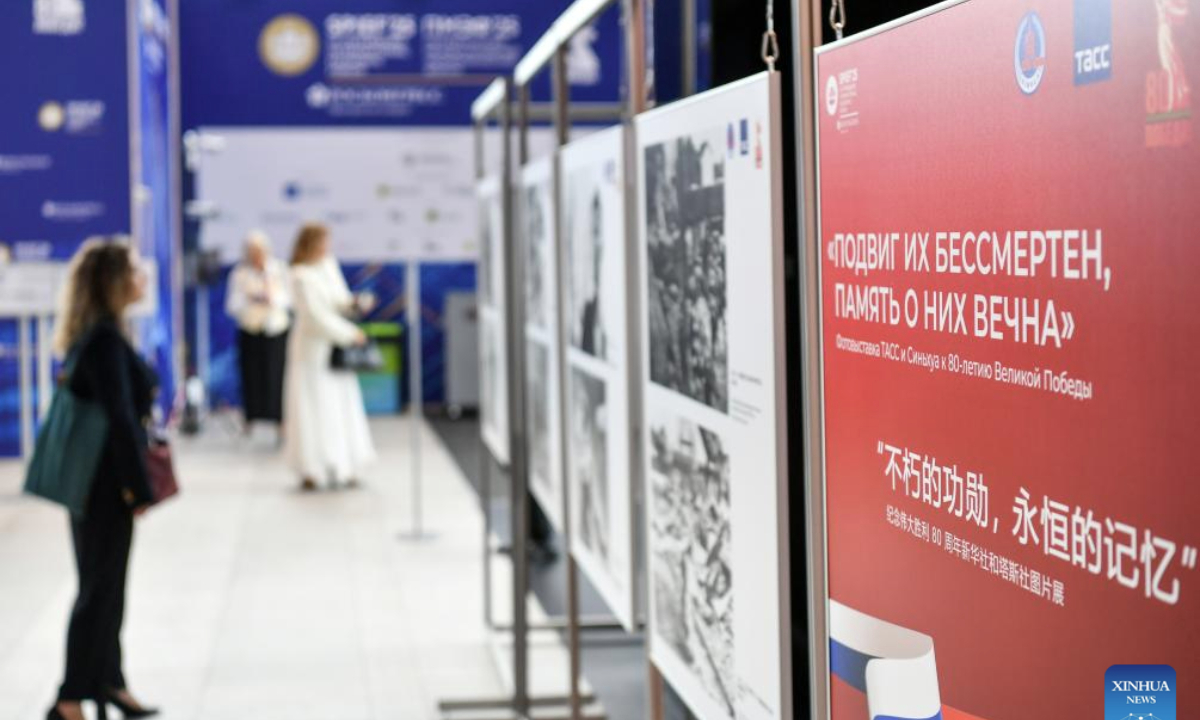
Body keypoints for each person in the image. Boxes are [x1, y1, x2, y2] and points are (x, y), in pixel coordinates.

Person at [47, 239, 159, 720]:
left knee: (108, 586)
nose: (143, 276)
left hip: (97, 482)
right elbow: (119, 420)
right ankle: (71, 697)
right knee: (98, 588)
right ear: (115, 281)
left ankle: (110, 682)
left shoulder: (101, 333)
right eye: (134, 269)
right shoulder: (104, 341)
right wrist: (139, 487)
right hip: (105, 485)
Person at [283, 222, 376, 491]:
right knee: (313, 407)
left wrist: (355, 304)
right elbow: (314, 318)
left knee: (340, 405)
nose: (326, 247)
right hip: (311, 352)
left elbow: (338, 300)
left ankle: (345, 465)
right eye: (322, 241)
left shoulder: (328, 266)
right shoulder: (298, 275)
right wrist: (350, 334)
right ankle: (312, 467)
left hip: (335, 351)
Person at [224, 230, 291, 432]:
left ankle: (280, 420)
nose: (256, 256)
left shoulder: (279, 270)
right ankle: (251, 418)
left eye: (259, 251)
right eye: (252, 251)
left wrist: (272, 299)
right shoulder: (239, 273)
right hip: (250, 329)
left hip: (275, 329)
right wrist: (251, 299)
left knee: (277, 377)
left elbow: (289, 299)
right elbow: (232, 305)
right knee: (251, 376)